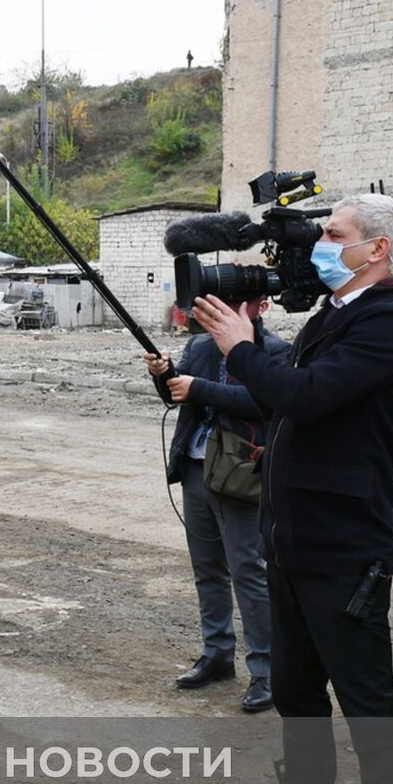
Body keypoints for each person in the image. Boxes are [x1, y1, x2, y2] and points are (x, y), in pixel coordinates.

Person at [193, 194, 393, 784]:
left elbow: (306, 392)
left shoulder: (391, 319)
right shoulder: (335, 313)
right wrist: (204, 379)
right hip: (293, 539)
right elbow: (281, 405)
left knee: (371, 711)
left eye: (335, 235)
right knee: (297, 693)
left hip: (344, 547)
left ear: (379, 249)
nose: (322, 245)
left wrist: (239, 344)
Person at [143, 297, 289, 712]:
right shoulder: (202, 348)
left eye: (239, 304)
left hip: (242, 475)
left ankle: (266, 671)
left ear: (261, 307)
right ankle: (217, 653)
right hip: (196, 467)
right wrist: (165, 375)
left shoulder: (275, 352)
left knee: (248, 572)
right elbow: (179, 397)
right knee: (207, 568)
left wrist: (197, 387)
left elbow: (264, 402)